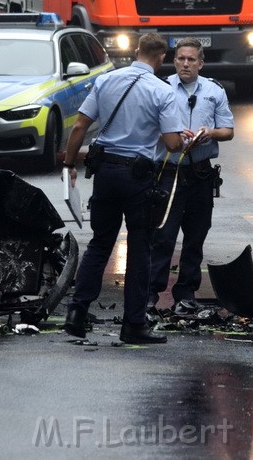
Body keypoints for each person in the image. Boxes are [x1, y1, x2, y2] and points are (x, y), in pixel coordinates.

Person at [61, 32, 184, 344]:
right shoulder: (163, 91)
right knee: (141, 249)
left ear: (136, 50)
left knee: (101, 243)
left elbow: (79, 126)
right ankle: (133, 324)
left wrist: (69, 164)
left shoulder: (106, 80)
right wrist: (180, 137)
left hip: (104, 172)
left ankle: (76, 312)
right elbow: (172, 142)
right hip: (139, 177)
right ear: (162, 57)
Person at [148, 38, 234, 317]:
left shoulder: (214, 91)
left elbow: (228, 130)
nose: (186, 64)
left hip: (200, 172)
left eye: (191, 60)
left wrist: (209, 133)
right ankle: (150, 293)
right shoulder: (161, 88)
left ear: (201, 63)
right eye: (181, 59)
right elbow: (149, 128)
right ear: (174, 61)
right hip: (169, 171)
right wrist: (171, 135)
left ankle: (186, 294)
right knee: (163, 234)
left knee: (196, 235)